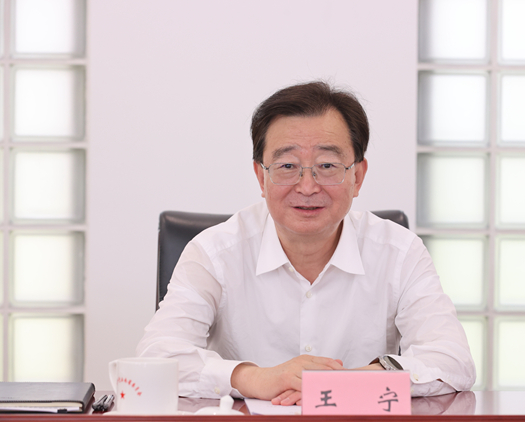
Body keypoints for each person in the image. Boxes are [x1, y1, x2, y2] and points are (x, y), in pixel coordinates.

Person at [136, 81, 475, 405]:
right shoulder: (213, 253)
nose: (308, 187)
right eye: (287, 166)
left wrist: (345, 384)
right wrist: (256, 378)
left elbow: (452, 359)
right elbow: (157, 356)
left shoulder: (399, 253)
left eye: (327, 165)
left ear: (357, 176)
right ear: (261, 176)